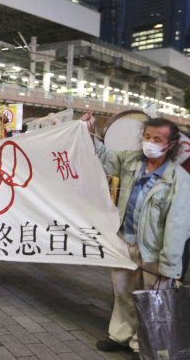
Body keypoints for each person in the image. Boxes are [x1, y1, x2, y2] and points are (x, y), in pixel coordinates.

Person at [81, 111, 190, 360]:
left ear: (171, 144)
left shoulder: (179, 180)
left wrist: (170, 265)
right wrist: (89, 131)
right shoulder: (131, 161)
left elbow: (179, 225)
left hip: (152, 250)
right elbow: (104, 157)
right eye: (148, 136)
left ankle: (142, 344)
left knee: (147, 298)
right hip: (124, 240)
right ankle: (120, 335)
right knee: (122, 292)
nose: (150, 142)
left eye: (158, 139)